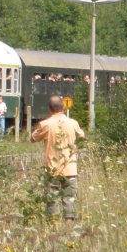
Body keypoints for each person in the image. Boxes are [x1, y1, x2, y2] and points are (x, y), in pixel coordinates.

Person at [31, 95, 85, 223]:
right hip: (70, 167)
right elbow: (82, 136)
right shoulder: (73, 123)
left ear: (50, 109)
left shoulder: (45, 124)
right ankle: (69, 228)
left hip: (52, 169)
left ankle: (54, 228)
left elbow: (33, 138)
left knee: (52, 200)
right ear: (63, 107)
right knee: (70, 199)